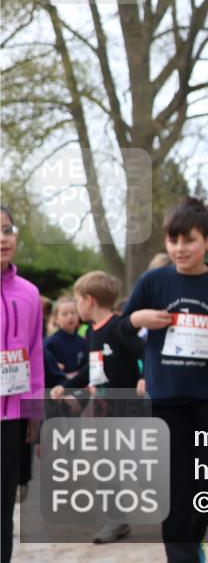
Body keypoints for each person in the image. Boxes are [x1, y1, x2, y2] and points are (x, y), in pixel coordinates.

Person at [119, 196, 208, 563]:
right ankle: (182, 551)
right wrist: (138, 322)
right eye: (173, 240)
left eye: (189, 240)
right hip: (166, 403)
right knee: (177, 493)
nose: (180, 249)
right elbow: (120, 331)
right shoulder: (153, 282)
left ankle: (193, 540)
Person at [50, 270, 145, 545]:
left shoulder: (119, 327)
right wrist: (68, 386)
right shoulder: (90, 332)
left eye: (78, 300)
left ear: (89, 301)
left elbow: (143, 351)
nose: (76, 306)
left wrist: (144, 376)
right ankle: (116, 520)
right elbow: (91, 371)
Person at [0, 206, 43, 563]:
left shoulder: (29, 293)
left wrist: (34, 408)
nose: (2, 238)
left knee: (3, 510)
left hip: (13, 419)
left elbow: (36, 353)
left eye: (7, 229)